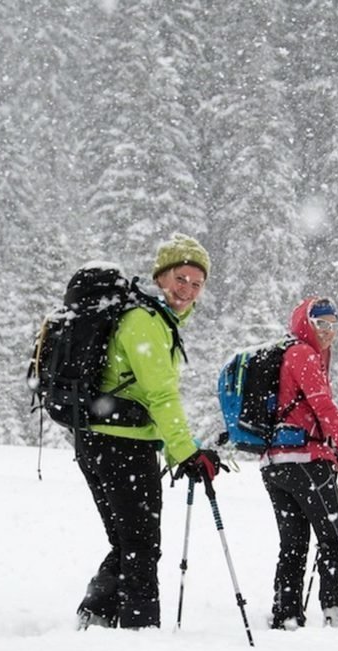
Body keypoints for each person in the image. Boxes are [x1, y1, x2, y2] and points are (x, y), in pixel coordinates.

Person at [75, 233, 223, 630]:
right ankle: (140, 631)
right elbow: (161, 394)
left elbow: (152, 397)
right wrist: (186, 453)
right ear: (161, 277)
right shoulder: (146, 321)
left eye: (197, 283)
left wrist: (180, 452)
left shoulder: (151, 319)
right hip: (121, 445)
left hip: (106, 440)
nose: (188, 289)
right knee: (141, 545)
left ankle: (97, 616)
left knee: (128, 542)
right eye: (181, 278)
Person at [261, 297, 338, 630]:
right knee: (333, 538)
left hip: (276, 463)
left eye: (333, 324)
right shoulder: (303, 353)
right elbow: (323, 406)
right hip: (304, 462)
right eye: (321, 323)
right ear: (305, 323)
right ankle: (336, 610)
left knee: (294, 543)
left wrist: (336, 447)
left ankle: (286, 613)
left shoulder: (291, 355)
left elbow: (309, 411)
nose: (329, 331)